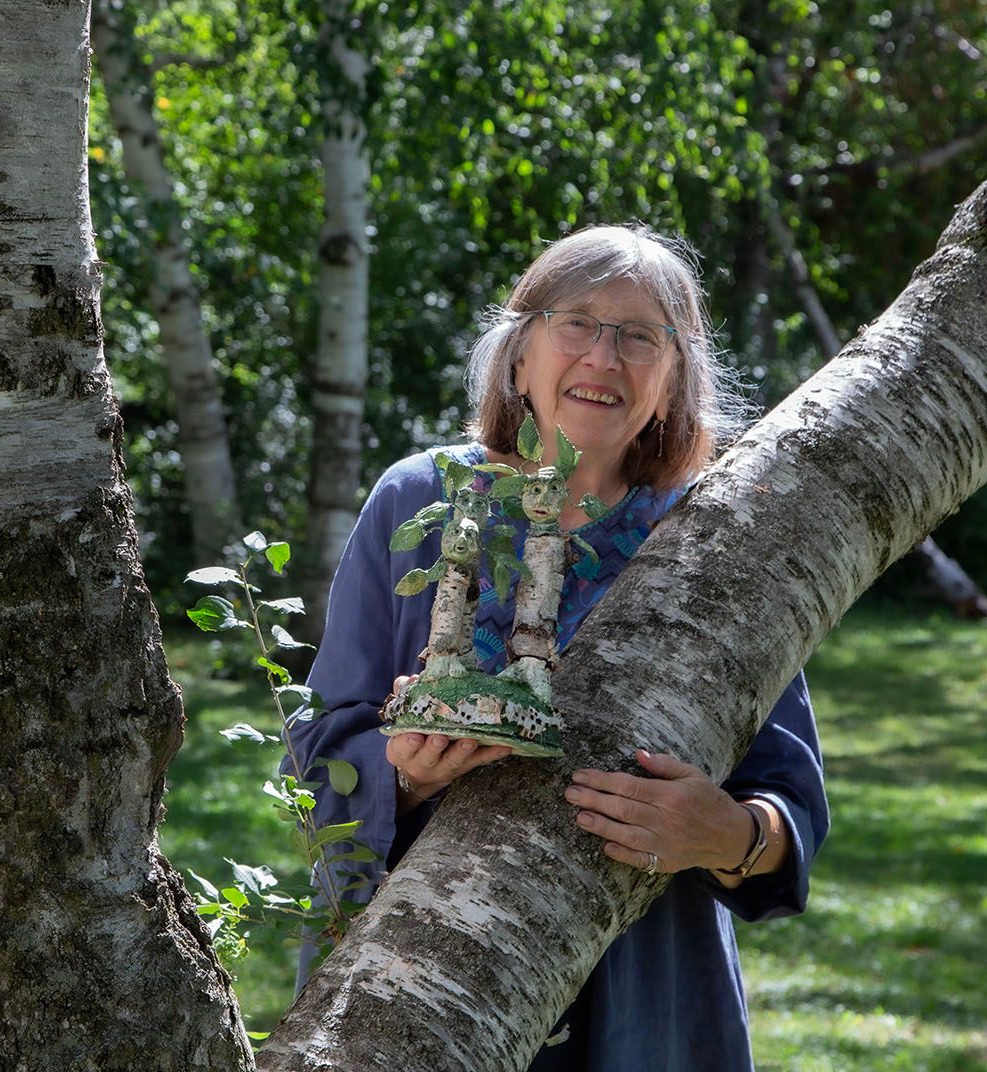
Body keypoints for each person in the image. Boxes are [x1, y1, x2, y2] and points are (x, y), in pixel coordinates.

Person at [287, 224, 829, 1070]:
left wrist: (724, 834)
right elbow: (319, 749)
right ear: (518, 352)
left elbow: (789, 803)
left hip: (647, 1000)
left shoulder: (715, 536)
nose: (603, 358)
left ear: (675, 377)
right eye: (577, 323)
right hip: (421, 986)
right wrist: (400, 770)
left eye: (641, 336)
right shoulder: (422, 501)